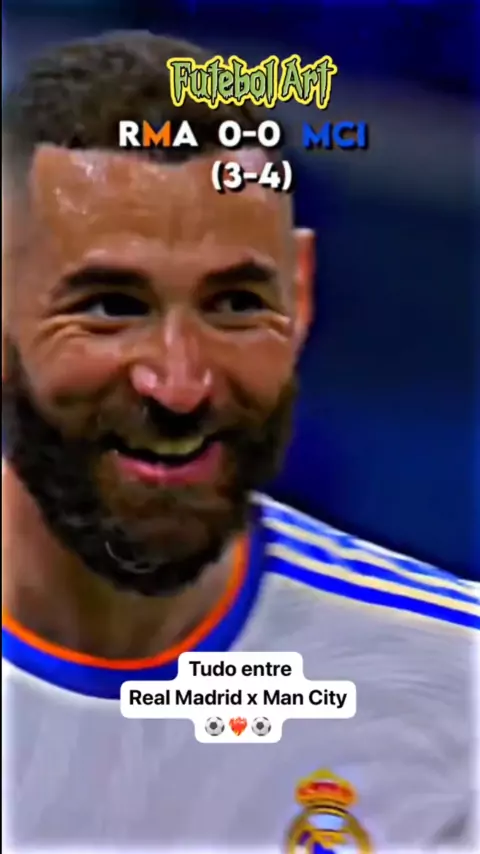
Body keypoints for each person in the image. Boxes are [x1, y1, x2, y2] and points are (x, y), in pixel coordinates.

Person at [2, 31, 478, 853]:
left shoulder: (456, 688)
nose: (180, 383)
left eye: (235, 304)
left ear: (301, 294)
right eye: (111, 305)